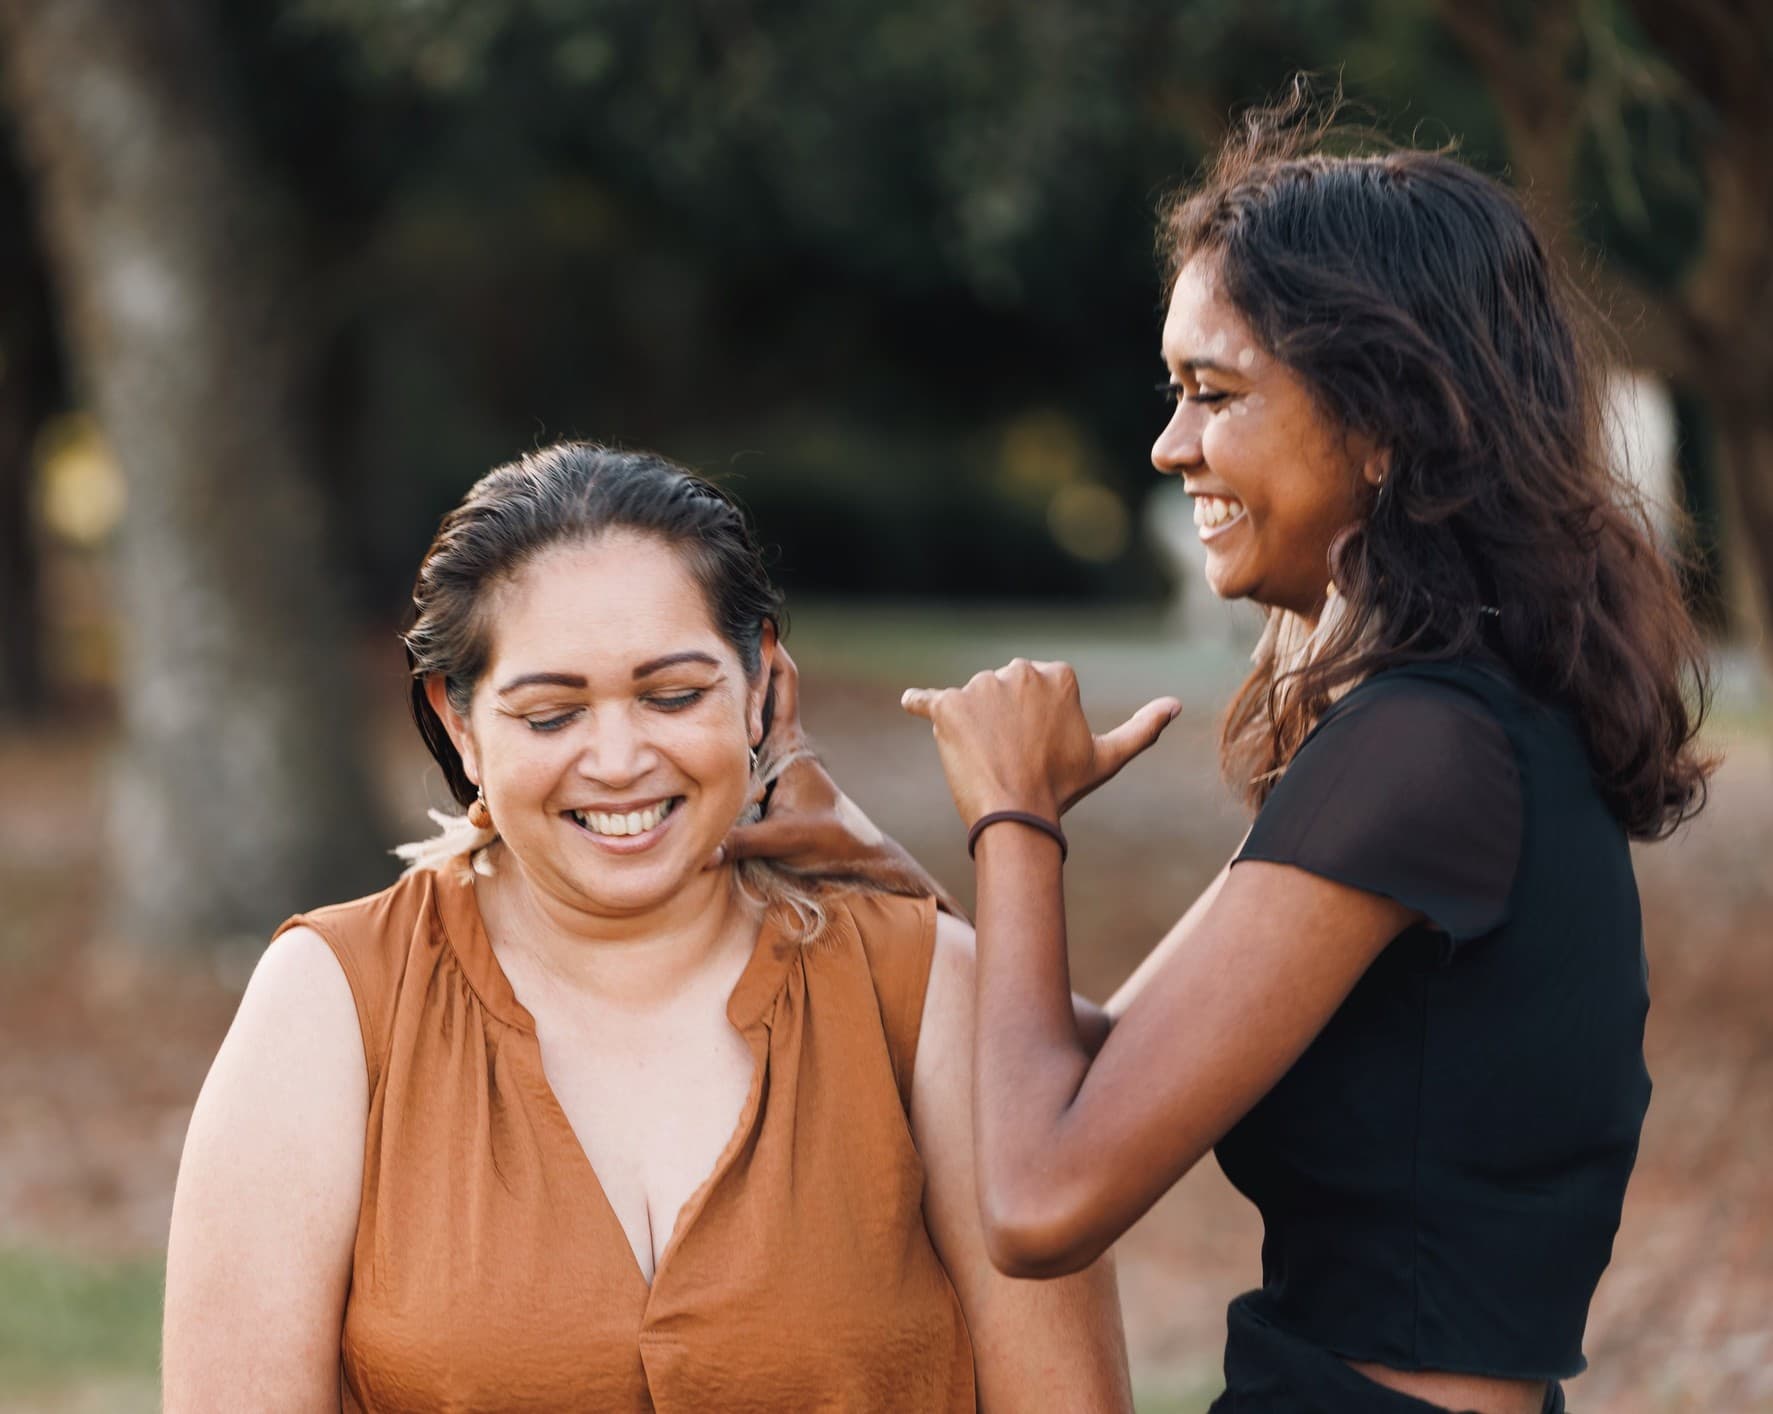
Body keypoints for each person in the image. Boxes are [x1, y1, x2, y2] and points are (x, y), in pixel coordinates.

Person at [749, 92, 1716, 1414]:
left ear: (1385, 423)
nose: (1168, 445)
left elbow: (1040, 1197)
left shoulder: (1425, 751)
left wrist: (1019, 820)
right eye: (1173, 392)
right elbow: (1102, 1057)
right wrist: (867, 856)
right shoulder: (1454, 723)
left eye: (1216, 393)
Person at [162, 443, 1131, 1412]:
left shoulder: (928, 986)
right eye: (550, 714)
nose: (619, 759)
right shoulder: (328, 1000)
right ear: (458, 724)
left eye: (673, 696)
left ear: (760, 687)